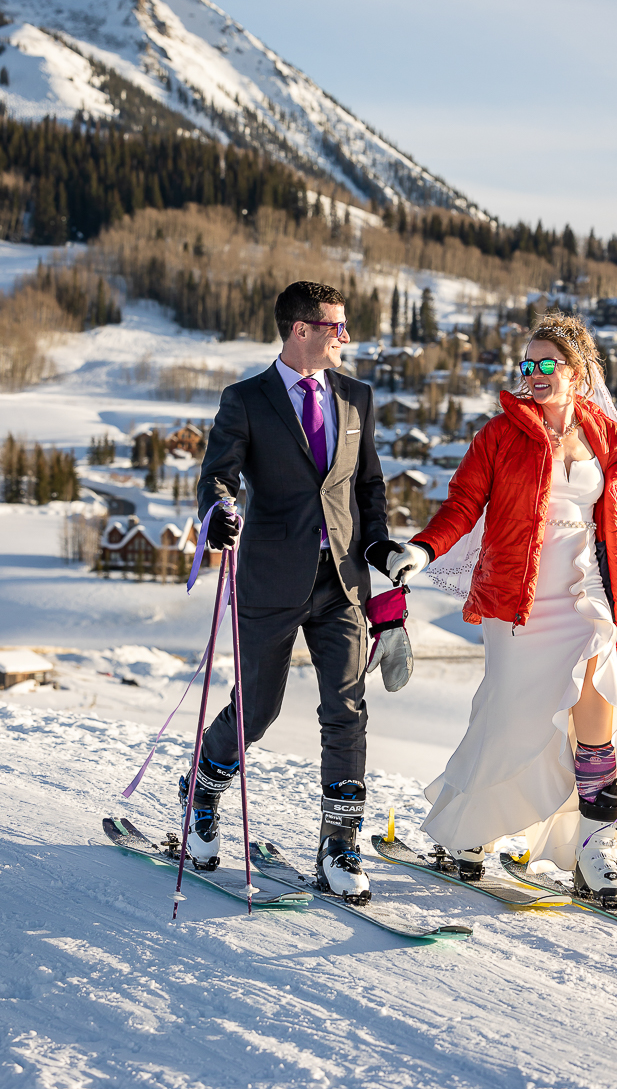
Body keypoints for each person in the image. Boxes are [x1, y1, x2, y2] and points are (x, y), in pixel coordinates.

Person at [387, 314, 617, 902]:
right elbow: (462, 505)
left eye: (546, 364)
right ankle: (467, 832)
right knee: (508, 718)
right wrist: (423, 550)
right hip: (517, 599)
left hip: (587, 599)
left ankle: (597, 853)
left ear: (578, 373)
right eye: (527, 366)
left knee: (594, 723)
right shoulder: (499, 436)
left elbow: (614, 532)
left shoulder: (603, 436)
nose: (534, 375)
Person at [185, 281, 396, 901]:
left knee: (346, 708)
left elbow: (370, 487)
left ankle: (340, 843)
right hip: (271, 580)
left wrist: (380, 546)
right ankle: (203, 788)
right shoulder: (245, 400)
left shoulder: (357, 397)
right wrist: (219, 510)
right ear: (301, 329)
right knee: (258, 710)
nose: (346, 337)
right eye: (338, 327)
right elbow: (217, 477)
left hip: (342, 582)